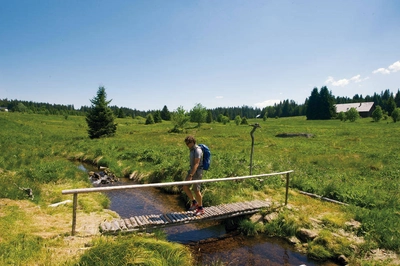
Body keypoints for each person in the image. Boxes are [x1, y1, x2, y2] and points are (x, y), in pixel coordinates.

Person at [182, 135, 205, 216]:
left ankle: (201, 208)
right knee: (185, 186)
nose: (187, 145)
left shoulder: (197, 150)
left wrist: (191, 175)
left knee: (196, 190)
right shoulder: (192, 150)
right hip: (191, 170)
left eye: (188, 143)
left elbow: (196, 164)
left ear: (192, 142)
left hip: (197, 172)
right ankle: (194, 202)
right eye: (186, 143)